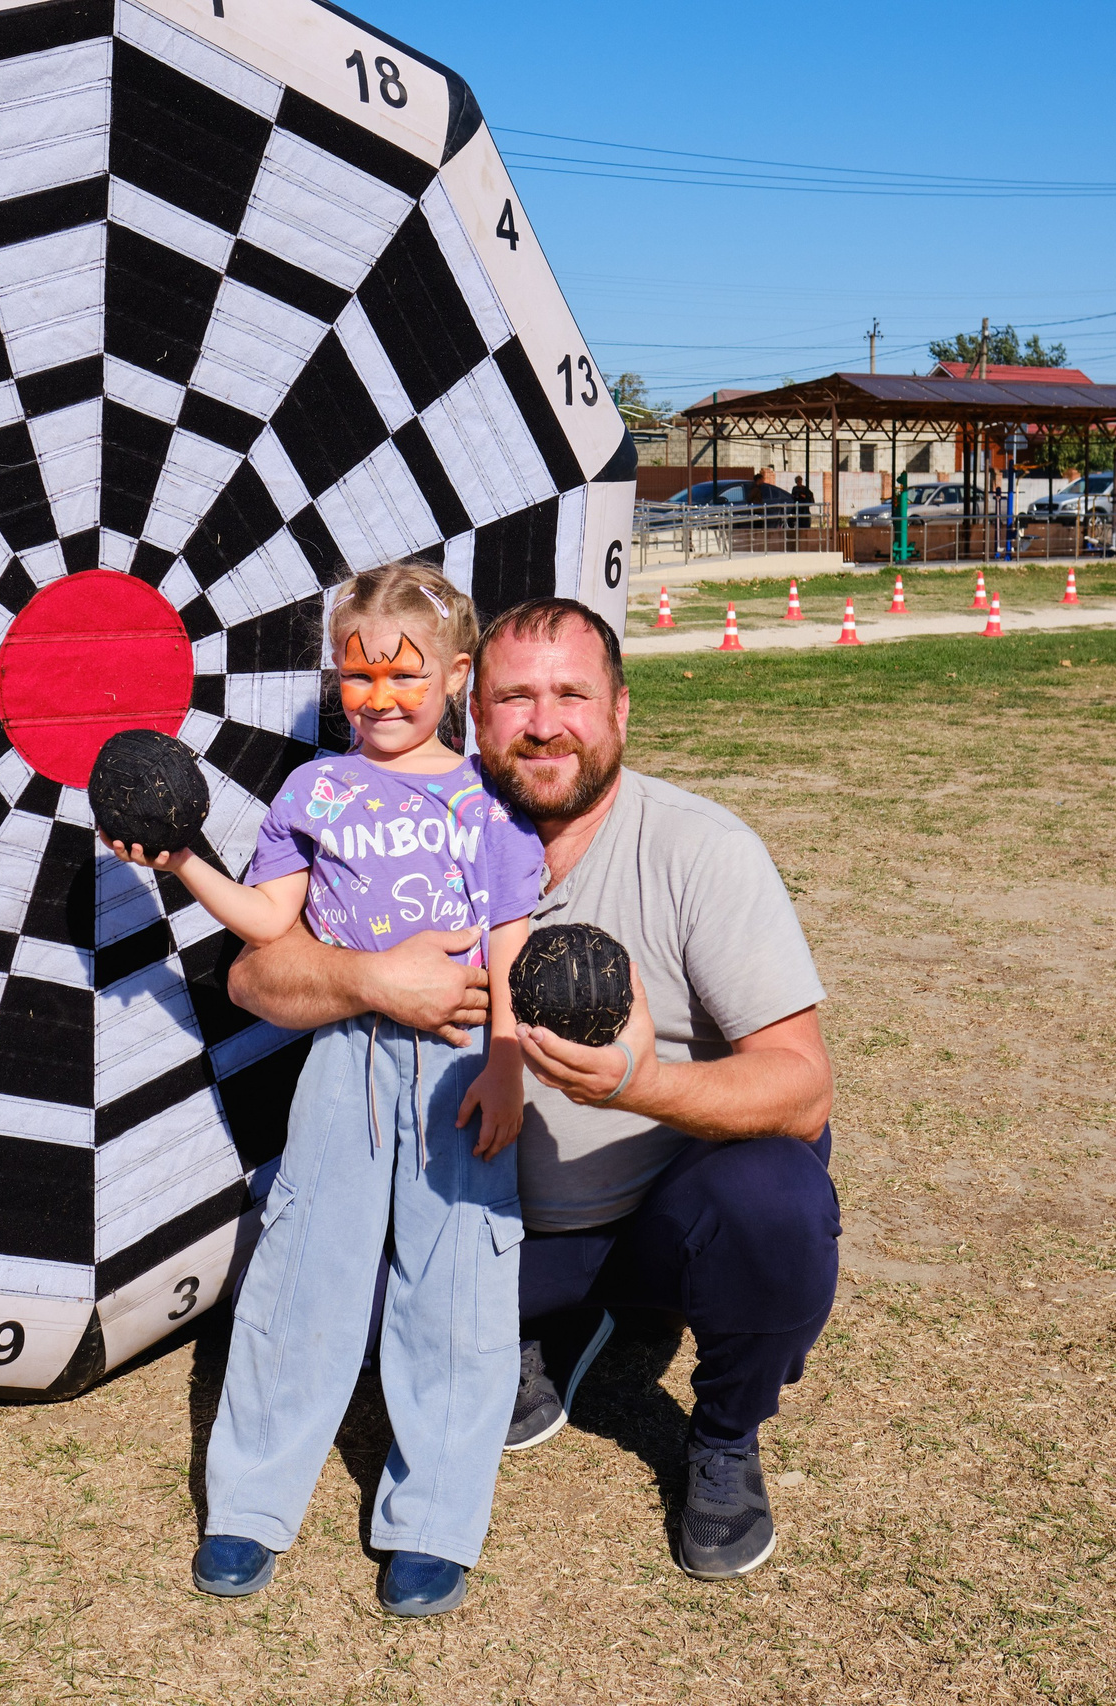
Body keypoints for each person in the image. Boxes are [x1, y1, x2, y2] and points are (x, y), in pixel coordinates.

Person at [224, 597, 839, 1582]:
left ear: (621, 711)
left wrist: (641, 1084)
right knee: (296, 1273)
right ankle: (538, 1330)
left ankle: (723, 1435)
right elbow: (254, 978)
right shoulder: (401, 821)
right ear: (471, 707)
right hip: (468, 1214)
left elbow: (802, 1087)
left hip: (647, 1215)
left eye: (571, 694)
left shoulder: (701, 848)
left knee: (773, 1200)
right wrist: (368, 977)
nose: (544, 721)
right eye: (515, 695)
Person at [107, 561, 544, 1617]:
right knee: (305, 1265)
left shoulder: (488, 796)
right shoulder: (316, 791)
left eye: (404, 675)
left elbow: (510, 942)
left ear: (453, 674)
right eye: (357, 675)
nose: (380, 697)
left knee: (454, 1284)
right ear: (335, 678)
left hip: (455, 1059)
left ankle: (434, 1514)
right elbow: (269, 925)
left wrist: (506, 1060)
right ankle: (250, 1504)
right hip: (343, 1053)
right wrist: (181, 863)